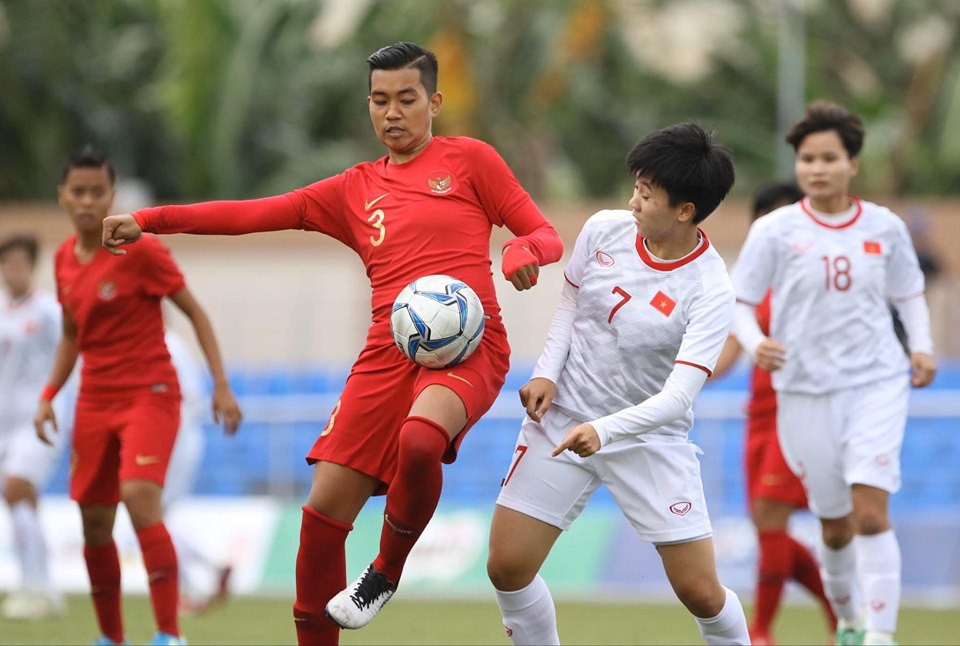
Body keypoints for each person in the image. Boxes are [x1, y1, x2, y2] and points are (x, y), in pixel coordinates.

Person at [100, 42, 563, 645]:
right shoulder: (353, 190)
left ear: (435, 102)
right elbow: (253, 214)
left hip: (471, 348)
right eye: (379, 100)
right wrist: (153, 221)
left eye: (406, 99)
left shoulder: (471, 161)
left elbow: (544, 232)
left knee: (421, 439)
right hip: (386, 353)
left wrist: (525, 251)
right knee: (321, 518)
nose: (391, 112)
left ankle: (384, 573)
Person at [487, 123, 749, 646]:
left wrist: (603, 432)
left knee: (700, 591)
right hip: (562, 421)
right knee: (507, 567)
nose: (633, 200)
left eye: (647, 194)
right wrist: (545, 372)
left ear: (685, 211)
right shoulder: (603, 230)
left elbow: (678, 399)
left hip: (648, 438)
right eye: (636, 186)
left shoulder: (711, 288)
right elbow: (570, 307)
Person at [729, 102, 936, 646]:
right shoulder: (775, 231)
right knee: (835, 526)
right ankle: (847, 622)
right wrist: (757, 343)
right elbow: (740, 303)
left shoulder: (885, 227)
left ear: (852, 165)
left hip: (876, 382)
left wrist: (922, 347)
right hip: (802, 391)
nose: (816, 168)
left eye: (828, 158)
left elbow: (909, 292)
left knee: (870, 514)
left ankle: (881, 636)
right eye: (806, 159)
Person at [34, 146, 242, 646]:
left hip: (150, 394)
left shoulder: (141, 250)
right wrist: (48, 394)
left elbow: (195, 313)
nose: (87, 201)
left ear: (112, 195)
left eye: (97, 192)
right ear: (62, 196)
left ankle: (169, 634)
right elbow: (69, 334)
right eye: (77, 192)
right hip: (93, 402)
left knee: (139, 498)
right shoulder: (63, 260)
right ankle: (111, 637)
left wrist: (220, 383)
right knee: (94, 523)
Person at [712, 183, 837, 645]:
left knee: (770, 517)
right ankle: (840, 616)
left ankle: (761, 632)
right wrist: (688, 378)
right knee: (768, 529)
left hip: (798, 412)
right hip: (759, 417)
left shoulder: (819, 279)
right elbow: (730, 346)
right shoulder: (754, 284)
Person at [0, 235, 67, 620]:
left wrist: (61, 409)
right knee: (18, 502)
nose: (13, 272)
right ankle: (38, 585)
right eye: (7, 265)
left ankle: (37, 586)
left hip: (40, 419)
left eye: (19, 264)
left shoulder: (48, 313)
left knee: (15, 487)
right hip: (6, 424)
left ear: (32, 267)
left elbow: (72, 358)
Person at [162, 329, 232, 615]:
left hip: (174, 436)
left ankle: (186, 588)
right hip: (175, 436)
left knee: (151, 516)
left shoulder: (170, 346)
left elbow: (189, 397)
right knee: (156, 517)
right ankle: (210, 569)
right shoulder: (169, 345)